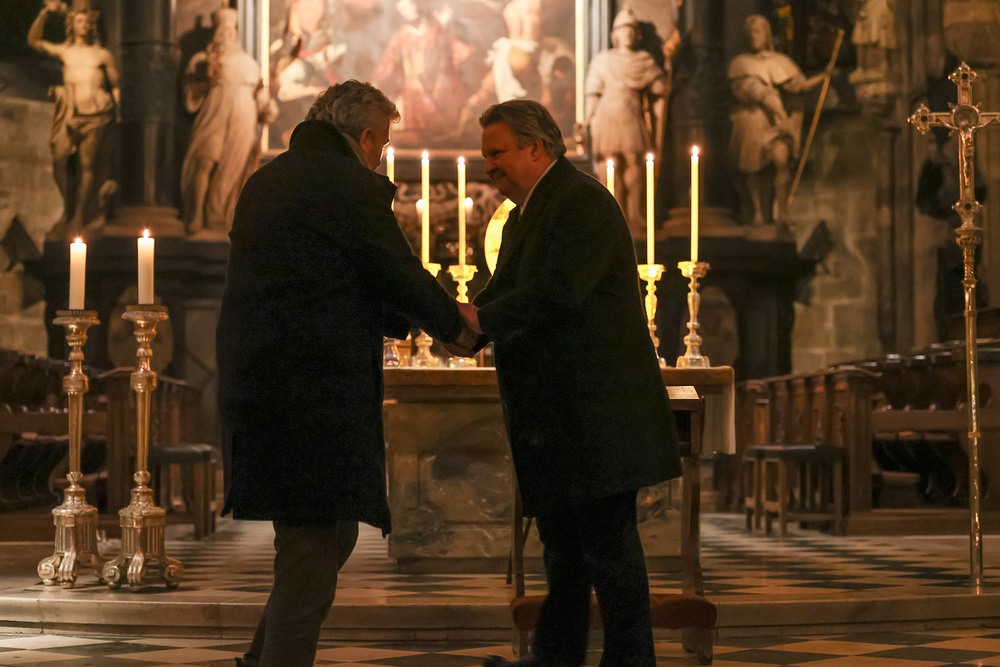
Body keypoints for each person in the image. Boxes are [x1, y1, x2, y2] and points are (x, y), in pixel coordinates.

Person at [217, 80, 479, 667]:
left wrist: (402, 318)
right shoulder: (347, 184)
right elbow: (396, 271)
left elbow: (324, 278)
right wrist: (460, 331)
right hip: (308, 396)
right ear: (363, 137)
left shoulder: (269, 179)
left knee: (328, 536)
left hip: (261, 386)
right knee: (311, 546)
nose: (382, 154)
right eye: (382, 142)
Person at [459, 100, 681, 667]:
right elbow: (501, 294)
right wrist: (460, 327)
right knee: (564, 555)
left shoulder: (581, 201)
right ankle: (555, 660)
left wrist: (478, 323)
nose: (489, 166)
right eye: (485, 156)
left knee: (608, 552)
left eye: (498, 153)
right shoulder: (528, 213)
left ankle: (631, 662)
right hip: (563, 417)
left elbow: (558, 292)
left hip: (595, 413)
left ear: (537, 147)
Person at [180, 8, 275, 235]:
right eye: (221, 30)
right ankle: (196, 215)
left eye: (231, 30)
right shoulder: (202, 59)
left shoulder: (249, 64)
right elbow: (192, 94)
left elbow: (260, 96)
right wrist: (206, 77)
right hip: (214, 113)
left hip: (243, 115)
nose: (226, 34)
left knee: (232, 167)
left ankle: (218, 216)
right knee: (205, 159)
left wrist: (268, 108)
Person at [28, 0, 119, 236]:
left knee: (87, 164)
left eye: (87, 22)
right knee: (59, 161)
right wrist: (44, 13)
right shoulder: (65, 51)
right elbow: (34, 41)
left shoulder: (102, 54)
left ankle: (79, 215)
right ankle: (68, 207)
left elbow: (116, 85)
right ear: (72, 25)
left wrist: (118, 112)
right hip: (70, 114)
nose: (84, 25)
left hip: (96, 114)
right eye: (79, 21)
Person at [728, 15, 824, 226]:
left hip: (776, 126)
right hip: (752, 122)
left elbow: (799, 85)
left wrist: (825, 76)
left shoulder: (780, 61)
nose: (754, 36)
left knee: (781, 160)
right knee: (752, 167)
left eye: (758, 32)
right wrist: (777, 109)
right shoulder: (740, 63)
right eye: (750, 32)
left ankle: (782, 211)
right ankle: (757, 213)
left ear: (767, 34)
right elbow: (749, 91)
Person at [582, 7, 668, 237]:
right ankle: (614, 215)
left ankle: (636, 216)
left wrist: (664, 74)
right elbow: (592, 94)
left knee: (634, 163)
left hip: (631, 115)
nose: (627, 34)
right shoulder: (603, 60)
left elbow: (659, 88)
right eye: (623, 30)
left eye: (631, 30)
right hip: (607, 115)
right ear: (615, 34)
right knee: (610, 164)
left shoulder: (644, 60)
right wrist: (586, 121)